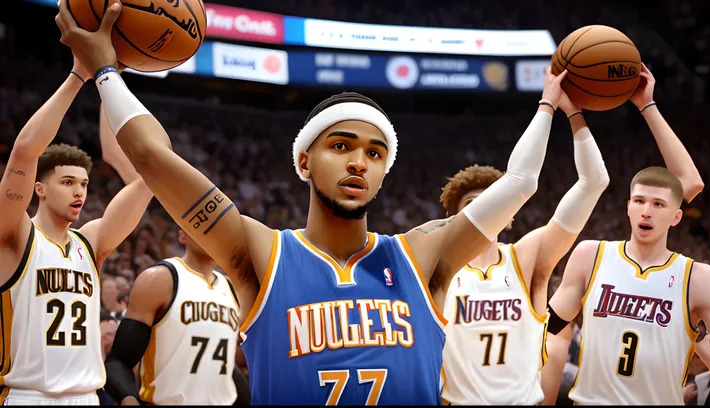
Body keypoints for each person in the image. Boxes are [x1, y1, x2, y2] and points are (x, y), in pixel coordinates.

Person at [54, 1, 567, 403]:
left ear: (384, 172)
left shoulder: (423, 255)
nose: (359, 162)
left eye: (375, 153)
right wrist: (104, 71)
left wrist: (548, 104)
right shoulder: (259, 252)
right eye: (340, 146)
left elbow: (521, 180)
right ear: (304, 161)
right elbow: (148, 154)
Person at [546, 64, 710, 405]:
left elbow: (689, 183)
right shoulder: (591, 255)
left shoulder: (698, 278)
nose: (647, 210)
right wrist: (566, 110)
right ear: (628, 206)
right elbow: (546, 328)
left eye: (658, 204)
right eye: (639, 201)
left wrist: (647, 105)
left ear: (676, 216)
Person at [433, 92, 609, 405]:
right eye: (474, 206)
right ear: (457, 217)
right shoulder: (438, 268)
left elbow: (594, 181)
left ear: (508, 214)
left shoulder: (527, 259)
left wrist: (572, 113)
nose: (485, 212)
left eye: (493, 203)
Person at [0, 54, 152, 404]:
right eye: (67, 182)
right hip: (29, 395)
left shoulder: (90, 241)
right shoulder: (17, 234)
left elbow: (146, 179)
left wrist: (108, 82)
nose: (79, 191)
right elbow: (24, 151)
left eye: (83, 183)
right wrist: (79, 73)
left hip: (87, 395)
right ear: (39, 188)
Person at [103, 229, 250, 405]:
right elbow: (118, 361)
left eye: (220, 229)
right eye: (206, 227)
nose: (215, 235)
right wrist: (129, 400)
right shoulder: (160, 279)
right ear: (182, 235)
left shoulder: (232, 289)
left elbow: (221, 364)